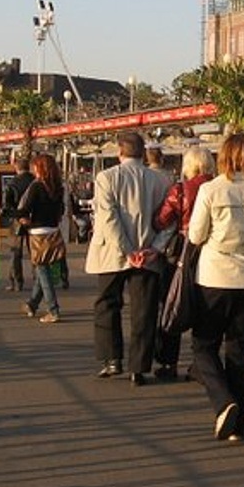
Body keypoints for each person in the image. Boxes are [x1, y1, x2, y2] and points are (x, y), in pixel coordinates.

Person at [188, 133, 244, 442]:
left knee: (203, 344)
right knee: (239, 351)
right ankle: (238, 423)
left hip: (214, 276)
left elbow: (196, 235)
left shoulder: (211, 189)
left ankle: (223, 401)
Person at [85, 131, 171, 384]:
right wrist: (154, 247)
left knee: (107, 305)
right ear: (143, 153)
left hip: (112, 252)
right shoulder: (161, 181)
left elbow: (108, 217)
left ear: (119, 152)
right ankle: (139, 366)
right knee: (143, 310)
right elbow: (169, 221)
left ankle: (112, 359)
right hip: (147, 254)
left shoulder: (106, 178)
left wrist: (126, 249)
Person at [152, 145, 216, 381]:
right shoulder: (218, 187)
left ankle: (169, 362)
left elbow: (162, 220)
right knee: (205, 309)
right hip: (211, 251)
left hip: (182, 253)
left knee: (173, 303)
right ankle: (201, 363)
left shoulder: (180, 190)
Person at [17, 153, 66, 324]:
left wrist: (16, 216)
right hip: (53, 232)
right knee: (42, 269)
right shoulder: (58, 187)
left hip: (37, 232)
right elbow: (62, 209)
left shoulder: (37, 186)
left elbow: (26, 208)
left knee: (42, 270)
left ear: (40, 168)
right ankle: (32, 304)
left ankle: (53, 309)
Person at [1, 158, 36, 292]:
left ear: (16, 168)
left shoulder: (12, 183)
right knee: (34, 251)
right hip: (34, 219)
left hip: (17, 220)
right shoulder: (35, 181)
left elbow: (7, 205)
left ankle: (17, 281)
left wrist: (15, 217)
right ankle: (37, 279)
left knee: (16, 252)